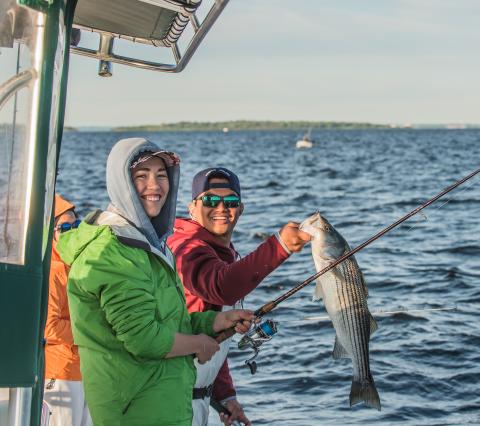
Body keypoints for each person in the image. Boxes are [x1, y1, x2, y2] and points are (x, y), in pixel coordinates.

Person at [57, 138, 253, 426]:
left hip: (165, 403)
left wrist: (213, 323)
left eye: (162, 175)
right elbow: (143, 339)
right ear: (121, 183)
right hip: (136, 411)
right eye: (141, 176)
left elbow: (166, 322)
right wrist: (199, 343)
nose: (155, 185)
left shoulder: (150, 244)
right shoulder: (111, 251)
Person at [168, 167, 311, 425]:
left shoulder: (221, 252)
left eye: (231, 201)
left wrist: (225, 396)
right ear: (191, 208)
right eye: (210, 200)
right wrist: (280, 245)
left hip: (198, 399)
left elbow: (211, 338)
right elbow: (220, 286)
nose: (221, 207)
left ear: (240, 210)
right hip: (170, 399)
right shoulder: (185, 247)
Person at [43, 194, 92, 426]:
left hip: (84, 369)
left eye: (76, 225)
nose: (72, 232)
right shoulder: (53, 272)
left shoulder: (77, 265)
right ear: (49, 233)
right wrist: (91, 333)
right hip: (59, 372)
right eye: (64, 227)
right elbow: (48, 326)